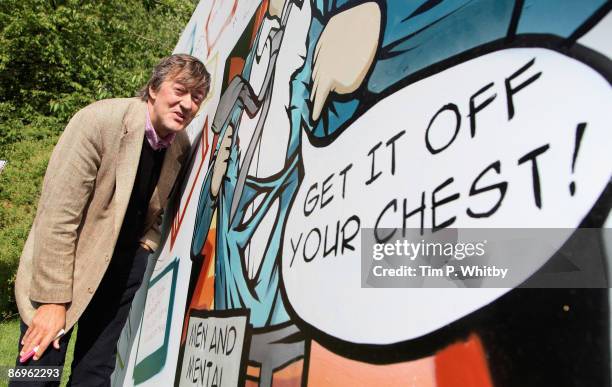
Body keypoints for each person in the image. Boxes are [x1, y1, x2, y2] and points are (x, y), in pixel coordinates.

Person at [11, 54, 209, 386]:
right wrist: (52, 300)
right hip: (66, 268)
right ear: (153, 88)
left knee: (96, 373)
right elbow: (57, 216)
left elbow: (160, 211)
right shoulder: (99, 121)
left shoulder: (179, 145)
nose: (186, 104)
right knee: (36, 372)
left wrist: (145, 248)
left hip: (121, 275)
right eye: (180, 90)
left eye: (196, 98)